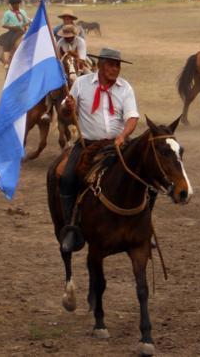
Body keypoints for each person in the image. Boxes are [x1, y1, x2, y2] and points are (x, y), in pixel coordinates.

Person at [58, 48, 139, 252]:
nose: (115, 69)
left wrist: (123, 136)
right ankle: (71, 228)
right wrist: (68, 108)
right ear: (100, 66)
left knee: (144, 175)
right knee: (67, 177)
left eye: (117, 65)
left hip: (117, 143)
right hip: (88, 144)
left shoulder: (125, 88)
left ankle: (141, 225)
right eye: (111, 65)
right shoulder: (81, 84)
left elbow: (132, 117)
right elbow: (64, 113)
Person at [0, 0, 29, 67]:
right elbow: (3, 24)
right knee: (7, 41)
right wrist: (13, 27)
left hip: (22, 30)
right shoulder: (7, 13)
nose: (16, 6)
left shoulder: (22, 12)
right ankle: (7, 61)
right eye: (14, 4)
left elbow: (26, 22)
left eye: (17, 4)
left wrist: (27, 24)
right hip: (13, 31)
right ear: (11, 5)